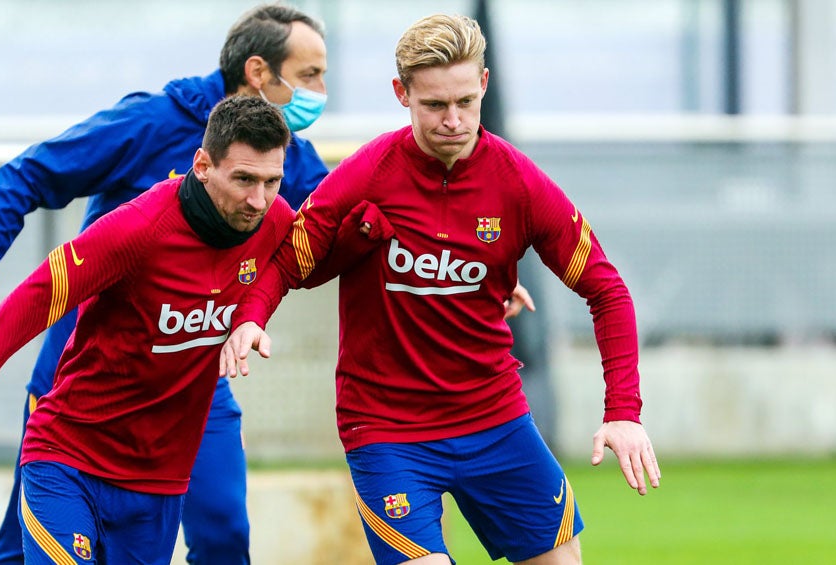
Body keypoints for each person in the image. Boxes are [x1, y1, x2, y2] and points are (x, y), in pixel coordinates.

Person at [220, 13, 660, 565]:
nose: (452, 120)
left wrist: (624, 410)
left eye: (464, 103)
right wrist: (251, 317)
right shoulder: (367, 173)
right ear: (402, 93)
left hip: (495, 420)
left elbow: (606, 289)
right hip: (387, 430)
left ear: (483, 85)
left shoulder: (518, 183)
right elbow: (289, 261)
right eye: (433, 106)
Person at [0, 5, 327, 564]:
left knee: (224, 534)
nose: (321, 92)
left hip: (192, 375)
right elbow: (26, 176)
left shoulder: (290, 162)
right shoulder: (152, 125)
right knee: (21, 548)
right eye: (309, 76)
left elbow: (346, 227)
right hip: (89, 373)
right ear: (260, 73)